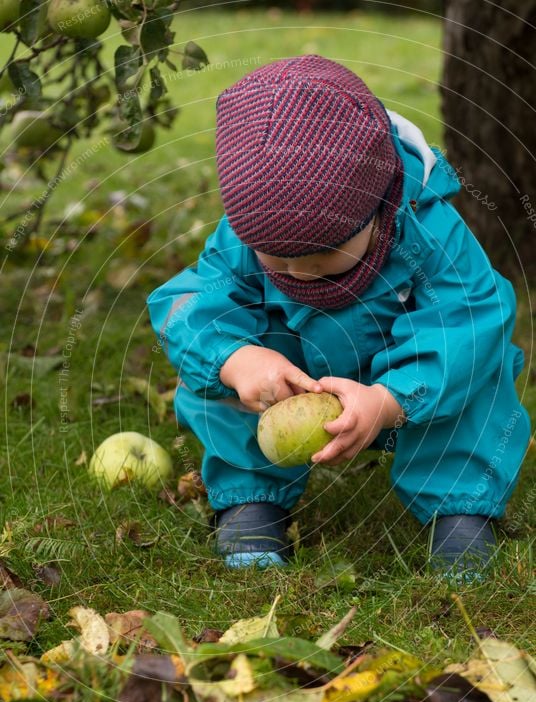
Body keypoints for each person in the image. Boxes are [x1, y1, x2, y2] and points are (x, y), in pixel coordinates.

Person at [147, 55, 530, 579]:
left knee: (475, 380)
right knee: (219, 385)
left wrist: (390, 400)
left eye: (321, 255)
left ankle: (461, 508)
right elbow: (190, 304)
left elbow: (467, 321)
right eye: (275, 259)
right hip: (298, 370)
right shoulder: (248, 233)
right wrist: (236, 360)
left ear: (377, 204)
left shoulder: (427, 231)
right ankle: (251, 497)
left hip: (405, 376)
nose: (298, 271)